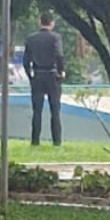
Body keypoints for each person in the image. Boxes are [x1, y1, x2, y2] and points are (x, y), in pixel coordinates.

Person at [23, 13, 65, 146]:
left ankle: (35, 141)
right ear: (52, 23)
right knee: (55, 111)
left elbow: (25, 61)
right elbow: (59, 55)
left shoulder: (31, 39)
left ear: (39, 22)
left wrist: (30, 76)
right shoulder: (55, 38)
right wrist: (61, 71)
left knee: (37, 111)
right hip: (52, 75)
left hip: (38, 74)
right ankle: (56, 141)